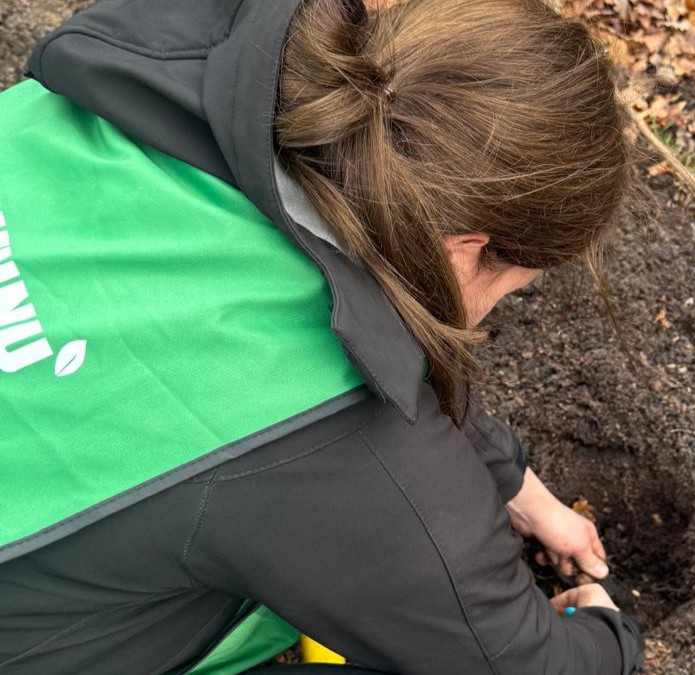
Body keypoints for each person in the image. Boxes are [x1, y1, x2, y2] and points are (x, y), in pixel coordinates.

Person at [0, 0, 644, 672]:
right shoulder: (360, 466)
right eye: (514, 284)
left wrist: (517, 487)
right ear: (465, 251)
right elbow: (516, 661)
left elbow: (374, 319)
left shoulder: (169, 63)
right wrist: (605, 626)